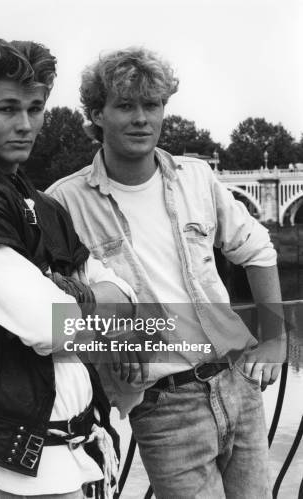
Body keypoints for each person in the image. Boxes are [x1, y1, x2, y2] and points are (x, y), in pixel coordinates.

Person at [47, 47, 285, 498]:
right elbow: (52, 309)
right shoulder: (64, 203)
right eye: (125, 105)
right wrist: (118, 335)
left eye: (152, 105)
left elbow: (257, 249)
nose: (141, 118)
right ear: (97, 114)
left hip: (238, 382)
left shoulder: (195, 179)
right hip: (162, 404)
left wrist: (274, 339)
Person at [0, 39, 136, 499]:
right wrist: (88, 302)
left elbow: (125, 296)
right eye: (8, 108)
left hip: (75, 452)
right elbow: (47, 325)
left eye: (35, 109)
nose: (25, 125)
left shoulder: (41, 204)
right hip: (21, 466)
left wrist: (77, 300)